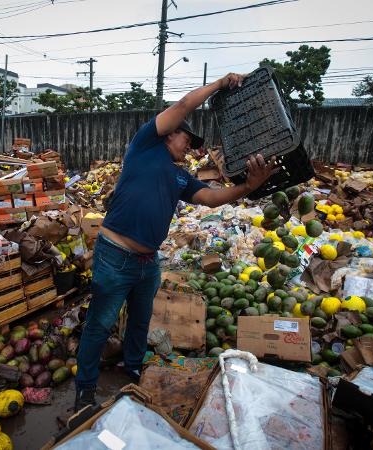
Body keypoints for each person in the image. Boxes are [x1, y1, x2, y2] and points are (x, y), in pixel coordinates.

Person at [74, 72, 275, 411]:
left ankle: (134, 366)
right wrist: (220, 84)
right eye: (187, 138)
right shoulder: (145, 146)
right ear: (169, 135)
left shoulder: (182, 176)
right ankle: (85, 389)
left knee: (140, 321)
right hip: (115, 257)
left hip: (147, 263)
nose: (191, 147)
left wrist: (249, 187)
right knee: (100, 324)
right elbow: (183, 105)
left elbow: (212, 200)